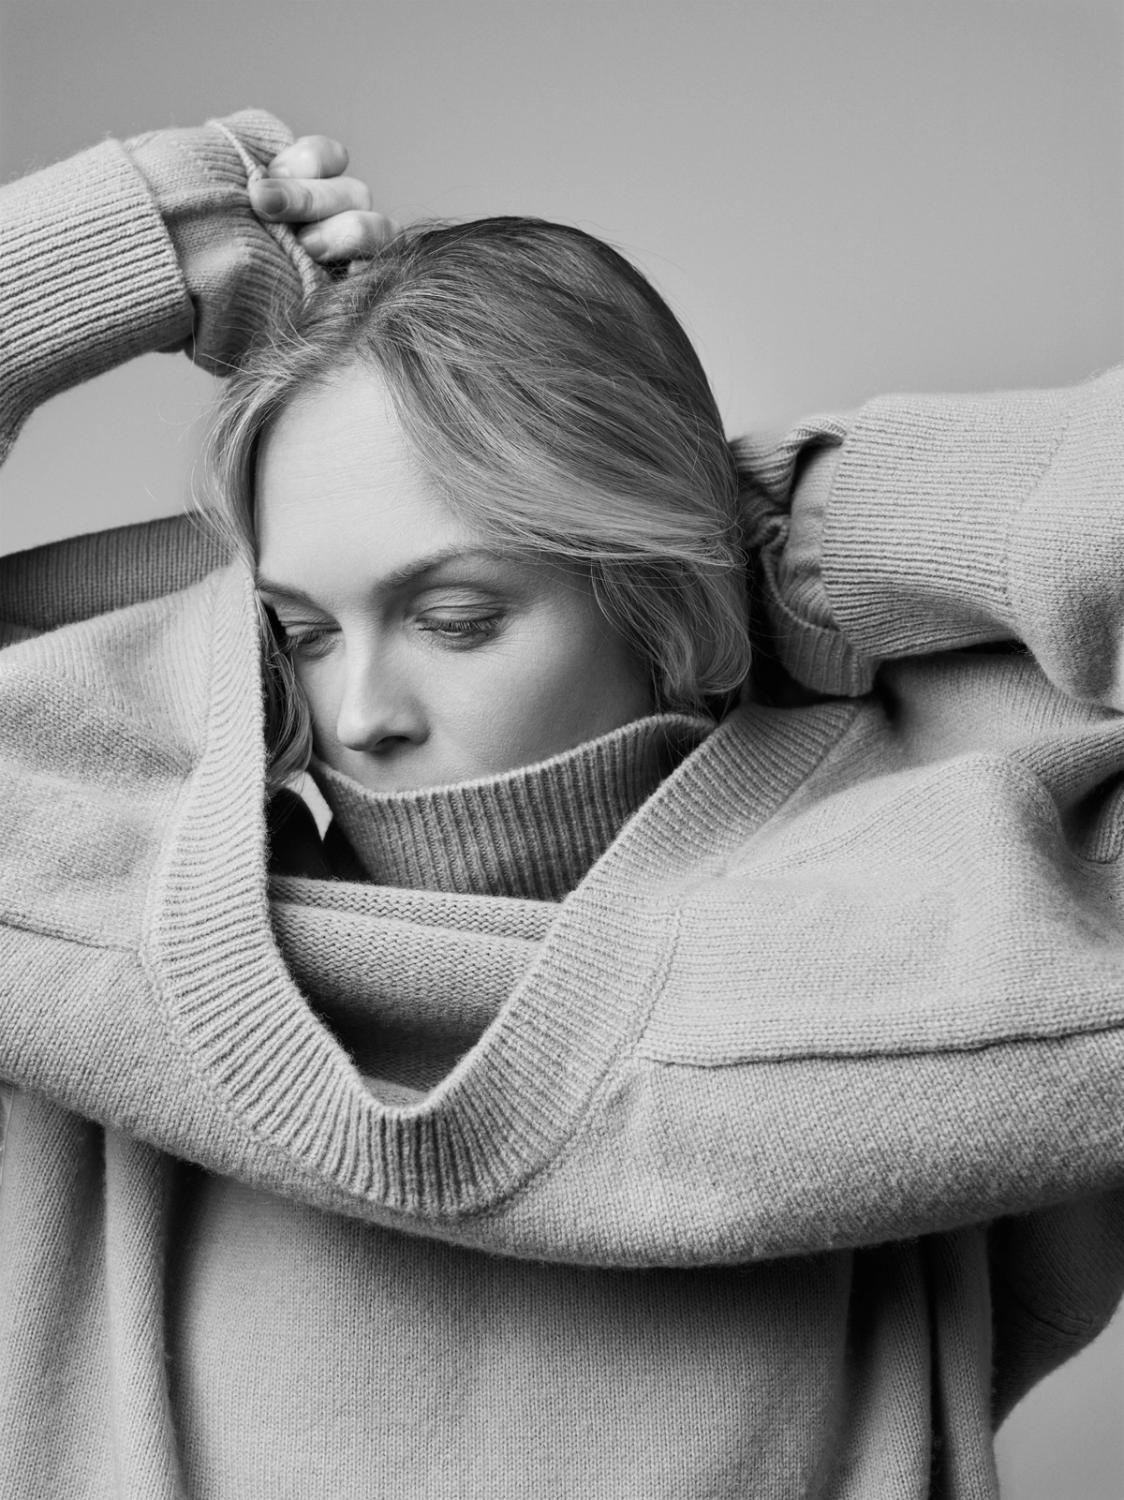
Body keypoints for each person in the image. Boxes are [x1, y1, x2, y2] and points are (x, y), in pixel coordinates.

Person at [0, 108, 1122, 1500]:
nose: (361, 713)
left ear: (663, 596)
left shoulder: (59, 892)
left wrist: (153, 232)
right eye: (299, 633)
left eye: (458, 619)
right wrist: (810, 534)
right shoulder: (980, 917)